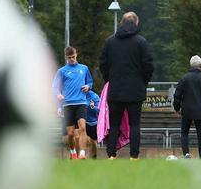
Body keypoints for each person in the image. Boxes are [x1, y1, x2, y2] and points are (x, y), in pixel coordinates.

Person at [99, 12, 155, 160]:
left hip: (115, 89)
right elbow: (148, 65)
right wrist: (143, 81)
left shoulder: (110, 42)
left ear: (121, 23)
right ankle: (134, 155)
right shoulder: (141, 42)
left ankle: (111, 154)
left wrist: (109, 79)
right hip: (135, 91)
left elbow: (103, 64)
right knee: (134, 124)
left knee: (115, 123)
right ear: (136, 23)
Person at [172, 55, 201, 159]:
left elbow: (177, 95)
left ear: (190, 65)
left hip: (187, 110)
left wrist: (177, 108)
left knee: (184, 132)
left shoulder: (184, 78)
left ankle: (186, 154)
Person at [52, 46, 94, 159]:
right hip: (68, 104)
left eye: (74, 57)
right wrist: (58, 94)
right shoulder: (62, 71)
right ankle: (73, 151)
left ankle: (82, 154)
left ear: (76, 55)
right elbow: (55, 87)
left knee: (82, 128)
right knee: (70, 134)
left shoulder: (84, 68)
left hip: (81, 103)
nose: (72, 59)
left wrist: (88, 86)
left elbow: (90, 82)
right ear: (66, 58)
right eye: (70, 57)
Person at [85, 89, 100, 159]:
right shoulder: (77, 94)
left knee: (93, 141)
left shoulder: (94, 96)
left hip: (92, 122)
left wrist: (93, 107)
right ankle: (80, 155)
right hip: (81, 120)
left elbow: (99, 111)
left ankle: (94, 156)